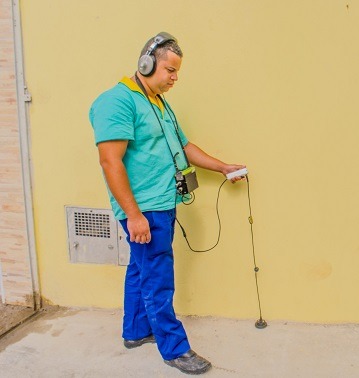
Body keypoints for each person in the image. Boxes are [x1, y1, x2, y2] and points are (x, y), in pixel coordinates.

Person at [89, 32, 245, 375]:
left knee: (140, 268)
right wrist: (133, 216)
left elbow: (184, 145)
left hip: (162, 202)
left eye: (177, 72)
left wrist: (221, 167)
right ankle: (174, 348)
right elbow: (110, 162)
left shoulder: (157, 102)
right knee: (158, 276)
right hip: (145, 209)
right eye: (169, 70)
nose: (175, 78)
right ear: (147, 63)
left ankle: (135, 332)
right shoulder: (117, 101)